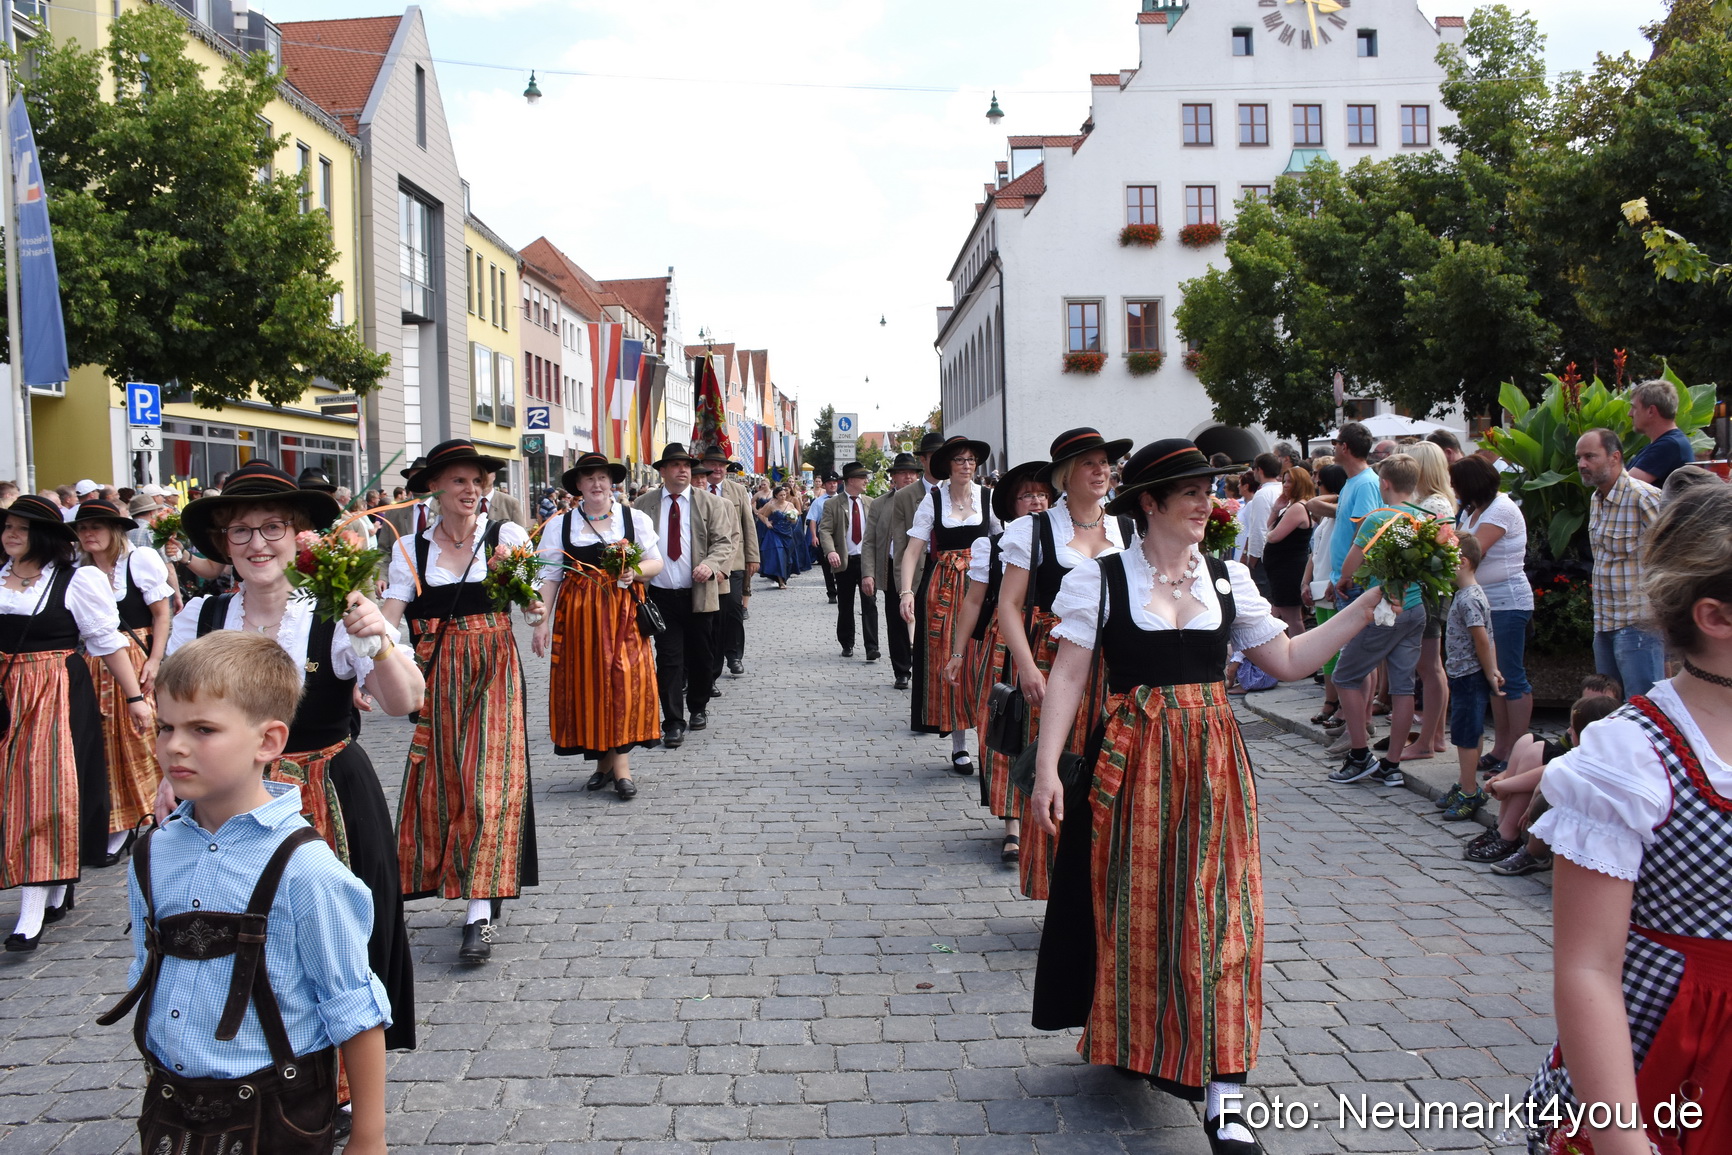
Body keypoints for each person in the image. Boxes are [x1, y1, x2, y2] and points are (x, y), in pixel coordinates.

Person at [1027, 440, 1381, 1150]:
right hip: (1130, 764)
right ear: (1150, 503)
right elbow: (1068, 675)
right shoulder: (1101, 580)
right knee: (1137, 910)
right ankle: (1136, 1039)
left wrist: (1366, 606)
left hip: (1215, 764)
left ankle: (1226, 1091)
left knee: (1222, 915)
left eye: (1208, 490)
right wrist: (1045, 771)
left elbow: (1286, 659)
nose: (1206, 503)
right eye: (1190, 491)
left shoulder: (1227, 577)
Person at [102, 632, 389, 1155]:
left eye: (203, 729)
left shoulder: (305, 869)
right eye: (166, 727)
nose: (175, 746)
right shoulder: (153, 853)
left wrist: (369, 1138)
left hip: (276, 1113)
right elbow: (152, 974)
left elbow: (354, 1008)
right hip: (170, 1106)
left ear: (268, 742)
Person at [172, 460, 423, 1045]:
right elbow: (175, 718)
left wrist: (376, 640)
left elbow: (405, 700)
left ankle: (338, 1077)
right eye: (241, 530)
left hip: (328, 797)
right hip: (227, 807)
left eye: (272, 527)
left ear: (298, 535)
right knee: (245, 942)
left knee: (334, 946)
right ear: (223, 542)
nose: (257, 543)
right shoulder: (201, 617)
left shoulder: (335, 612)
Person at [1524, 482, 1732, 1155]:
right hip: (1677, 1057)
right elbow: (1588, 966)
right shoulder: (1634, 756)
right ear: (1716, 617)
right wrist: (1621, 1136)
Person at [383, 439, 542, 963]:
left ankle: (479, 915)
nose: (471, 490)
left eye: (478, 481)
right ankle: (458, 887)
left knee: (487, 785)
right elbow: (389, 616)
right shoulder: (411, 549)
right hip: (437, 674)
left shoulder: (506, 536)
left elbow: (533, 606)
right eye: (459, 481)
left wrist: (528, 597)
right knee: (447, 782)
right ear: (434, 486)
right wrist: (368, 664)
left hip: (495, 667)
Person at [2, 495, 151, 951]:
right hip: (5, 693)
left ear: (43, 536)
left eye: (21, 528)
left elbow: (107, 642)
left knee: (42, 790)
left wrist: (135, 697)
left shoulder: (75, 580)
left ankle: (32, 907)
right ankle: (54, 883)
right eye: (7, 526)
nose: (10, 534)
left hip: (54, 691)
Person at [995, 428, 1131, 900]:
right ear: (1065, 475)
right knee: (1060, 770)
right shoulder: (1034, 529)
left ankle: (1110, 887)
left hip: (1118, 666)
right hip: (1055, 661)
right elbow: (1009, 605)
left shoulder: (1128, 528)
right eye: (1089, 463)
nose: (1101, 471)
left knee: (1113, 771)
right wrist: (1027, 667)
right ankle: (1061, 891)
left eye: (1105, 463)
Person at [532, 452, 663, 801]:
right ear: (578, 485)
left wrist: (635, 571)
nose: (596, 484)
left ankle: (621, 769)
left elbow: (656, 563)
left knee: (623, 683)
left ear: (611, 482)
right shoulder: (561, 525)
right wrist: (540, 623)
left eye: (602, 477)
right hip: (580, 620)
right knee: (589, 686)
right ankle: (604, 765)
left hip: (624, 616)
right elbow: (549, 577)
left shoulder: (633, 518)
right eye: (589, 478)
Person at [946, 460, 1054, 864]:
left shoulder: (1067, 543)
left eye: (1042, 494)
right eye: (1027, 495)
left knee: (1049, 731)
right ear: (1012, 504)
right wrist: (958, 653)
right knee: (1007, 728)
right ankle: (1012, 824)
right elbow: (974, 602)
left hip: (1055, 646)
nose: (1036, 501)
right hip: (1004, 647)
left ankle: (1046, 812)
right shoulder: (992, 546)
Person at [72, 499, 173, 865]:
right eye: (83, 528)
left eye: (96, 526)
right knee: (103, 743)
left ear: (114, 530)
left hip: (136, 657)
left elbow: (162, 614)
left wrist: (155, 660)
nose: (88, 533)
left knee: (141, 739)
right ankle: (117, 822)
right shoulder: (79, 572)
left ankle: (155, 811)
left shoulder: (138, 561)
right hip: (95, 663)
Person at [1327, 453, 1433, 789]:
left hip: (1386, 609)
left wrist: (1345, 578)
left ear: (1384, 483)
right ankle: (1392, 765)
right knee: (1403, 687)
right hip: (1415, 608)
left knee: (1345, 676)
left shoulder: (1380, 518)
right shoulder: (1423, 518)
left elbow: (1350, 564)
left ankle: (1360, 755)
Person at [633, 443, 739, 750]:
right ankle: (673, 723)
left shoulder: (710, 503)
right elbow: (631, 542)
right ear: (663, 471)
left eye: (686, 465)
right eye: (676, 465)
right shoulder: (643, 505)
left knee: (701, 656)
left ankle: (698, 706)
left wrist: (710, 565)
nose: (683, 470)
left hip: (699, 593)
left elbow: (724, 543)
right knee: (669, 660)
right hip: (660, 595)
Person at [901, 435, 998, 768]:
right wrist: (906, 591)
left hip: (983, 584)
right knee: (951, 659)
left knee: (983, 659)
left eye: (971, 460)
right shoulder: (933, 500)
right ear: (948, 465)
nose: (967, 465)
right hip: (944, 587)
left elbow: (1004, 539)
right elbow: (913, 550)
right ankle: (959, 744)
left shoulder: (988, 497)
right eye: (960, 460)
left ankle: (988, 739)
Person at [1448, 453, 1533, 774]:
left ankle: (1518, 751)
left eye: (1457, 483)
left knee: (1510, 675)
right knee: (1493, 675)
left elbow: (1472, 549)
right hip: (1485, 600)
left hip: (1507, 601)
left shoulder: (1501, 508)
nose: (1454, 489)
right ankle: (1501, 747)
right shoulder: (1475, 509)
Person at [1578, 428, 1667, 700]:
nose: (1582, 464)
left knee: (1643, 706)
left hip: (1638, 625)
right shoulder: (1596, 499)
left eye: (1590, 456)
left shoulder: (1643, 497)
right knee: (1609, 707)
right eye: (1579, 458)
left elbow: (1672, 553)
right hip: (1604, 623)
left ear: (1615, 457)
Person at [1436, 534, 1504, 821]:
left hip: (1469, 674)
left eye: (1445, 562)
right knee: (1471, 731)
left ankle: (1468, 790)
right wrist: (1493, 669)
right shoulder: (1468, 595)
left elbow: (1482, 639)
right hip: (1465, 673)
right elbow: (1488, 636)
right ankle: (1466, 782)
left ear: (1462, 562)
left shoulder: (1469, 599)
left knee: (1465, 734)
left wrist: (1490, 671)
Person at [882, 435, 947, 694]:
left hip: (949, 567)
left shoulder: (959, 491)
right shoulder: (906, 496)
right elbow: (901, 544)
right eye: (934, 457)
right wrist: (903, 585)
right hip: (919, 564)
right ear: (924, 460)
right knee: (906, 621)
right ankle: (903, 670)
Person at [1406, 441, 1459, 760]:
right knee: (1430, 666)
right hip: (1430, 588)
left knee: (1429, 666)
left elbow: (1439, 549)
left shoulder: (1434, 503)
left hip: (1430, 590)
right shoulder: (1434, 500)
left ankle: (1430, 739)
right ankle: (1434, 736)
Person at [863, 451, 924, 690]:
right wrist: (868, 572)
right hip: (892, 569)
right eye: (902, 473)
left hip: (923, 567)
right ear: (894, 477)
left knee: (924, 619)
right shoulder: (880, 504)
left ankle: (924, 666)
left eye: (912, 473)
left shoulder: (927, 499)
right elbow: (869, 540)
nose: (908, 477)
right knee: (896, 621)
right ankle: (902, 670)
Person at [699, 450, 760, 678]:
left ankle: (734, 655)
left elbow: (748, 524)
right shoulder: (697, 490)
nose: (717, 469)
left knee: (733, 608)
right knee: (712, 613)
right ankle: (710, 658)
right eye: (712, 464)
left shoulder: (738, 490)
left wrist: (753, 556)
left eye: (721, 465)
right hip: (705, 561)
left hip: (735, 561)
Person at [820, 461, 880, 661]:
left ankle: (872, 647)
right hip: (844, 562)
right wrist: (831, 551)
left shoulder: (871, 502)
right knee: (845, 604)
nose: (866, 481)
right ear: (851, 480)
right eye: (863, 477)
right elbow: (825, 530)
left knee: (870, 603)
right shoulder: (832, 504)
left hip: (867, 561)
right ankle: (847, 643)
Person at [1261, 465, 1314, 640]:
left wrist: (1269, 533)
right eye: (1284, 481)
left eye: (1290, 481)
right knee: (1279, 613)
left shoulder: (1298, 507)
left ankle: (1300, 653)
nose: (1285, 485)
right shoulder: (1293, 507)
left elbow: (1273, 536)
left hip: (1288, 570)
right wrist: (1276, 509)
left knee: (1292, 617)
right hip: (1281, 569)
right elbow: (1269, 528)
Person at [1626, 377, 1696, 486]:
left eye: (1634, 408)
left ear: (1651, 411)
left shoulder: (1669, 446)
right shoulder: (1666, 443)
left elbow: (1623, 488)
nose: (1630, 414)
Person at [1239, 453, 1284, 595]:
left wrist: (1253, 558)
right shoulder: (1282, 489)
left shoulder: (1263, 494)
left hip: (1264, 556)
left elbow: (1259, 528)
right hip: (1281, 554)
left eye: (1254, 468)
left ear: (1260, 470)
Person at [756, 485, 802, 588]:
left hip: (787, 533)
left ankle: (785, 576)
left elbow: (796, 516)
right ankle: (781, 581)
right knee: (778, 555)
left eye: (784, 495)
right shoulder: (771, 505)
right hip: (775, 533)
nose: (783, 497)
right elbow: (763, 515)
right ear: (776, 495)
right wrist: (767, 523)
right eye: (781, 495)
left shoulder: (790, 505)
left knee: (788, 557)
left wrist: (793, 519)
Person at [806, 471, 840, 603]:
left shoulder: (842, 499)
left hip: (840, 536)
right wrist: (814, 536)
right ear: (825, 485)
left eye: (834, 483)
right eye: (830, 483)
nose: (832, 485)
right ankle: (831, 593)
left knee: (841, 565)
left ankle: (842, 591)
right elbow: (813, 520)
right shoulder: (818, 502)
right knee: (826, 565)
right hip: (824, 536)